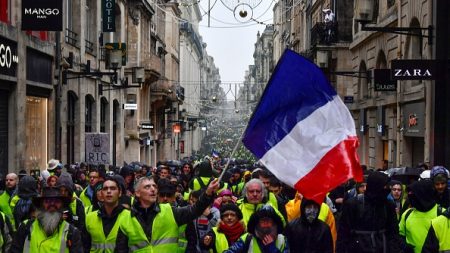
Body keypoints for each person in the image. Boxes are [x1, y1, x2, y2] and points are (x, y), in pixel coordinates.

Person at [114, 176, 219, 252]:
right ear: (137, 193)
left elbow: (194, 210)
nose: (152, 189)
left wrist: (207, 194)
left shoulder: (170, 211)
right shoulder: (126, 219)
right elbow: (120, 249)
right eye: (147, 187)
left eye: (154, 186)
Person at [336, 171, 402, 253]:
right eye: (384, 186)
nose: (387, 189)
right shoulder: (353, 204)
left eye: (388, 186)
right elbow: (343, 234)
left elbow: (393, 233)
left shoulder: (388, 205)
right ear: (376, 186)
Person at [10, 186, 83, 253]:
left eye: (56, 201)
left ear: (62, 206)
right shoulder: (26, 227)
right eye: (47, 201)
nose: (52, 205)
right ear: (41, 205)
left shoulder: (71, 233)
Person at [83, 177, 130, 252]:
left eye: (113, 188)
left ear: (120, 193)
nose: (108, 191)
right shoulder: (89, 218)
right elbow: (85, 247)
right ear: (101, 194)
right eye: (105, 189)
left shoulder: (130, 218)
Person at [399, 180, 443, 253]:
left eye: (413, 193)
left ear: (423, 194)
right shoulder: (407, 214)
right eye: (409, 193)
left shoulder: (442, 213)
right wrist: (404, 246)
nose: (410, 195)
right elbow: (400, 235)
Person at [224, 205, 289, 253]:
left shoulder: (282, 240)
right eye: (263, 220)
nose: (265, 223)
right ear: (256, 222)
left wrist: (272, 249)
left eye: (268, 220)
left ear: (274, 223)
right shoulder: (247, 238)